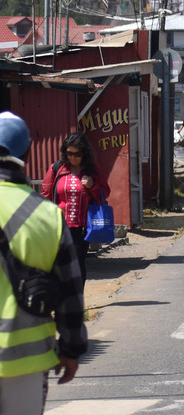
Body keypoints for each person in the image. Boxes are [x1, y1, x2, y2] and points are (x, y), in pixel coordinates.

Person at [0, 112, 87, 414]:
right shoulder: (48, 216)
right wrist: (71, 349)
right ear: (25, 154)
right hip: (27, 363)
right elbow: (71, 294)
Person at [40, 133, 109, 288]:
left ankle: (77, 301)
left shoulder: (92, 170)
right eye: (69, 153)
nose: (73, 157)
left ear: (84, 153)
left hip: (81, 227)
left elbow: (105, 193)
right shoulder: (56, 168)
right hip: (58, 227)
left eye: (77, 154)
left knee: (77, 265)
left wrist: (92, 186)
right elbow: (45, 195)